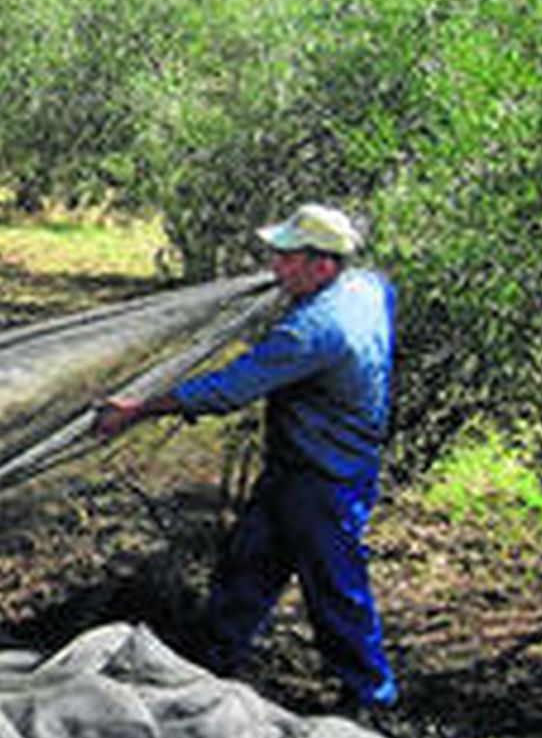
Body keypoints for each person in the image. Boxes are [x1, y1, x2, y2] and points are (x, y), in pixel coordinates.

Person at [93, 204, 399, 710]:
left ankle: (370, 695)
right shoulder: (367, 287)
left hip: (326, 479)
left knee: (335, 587)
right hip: (303, 466)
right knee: (249, 564)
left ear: (322, 265)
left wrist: (138, 409)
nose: (274, 270)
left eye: (286, 260)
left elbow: (229, 388)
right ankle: (211, 662)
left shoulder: (313, 333)